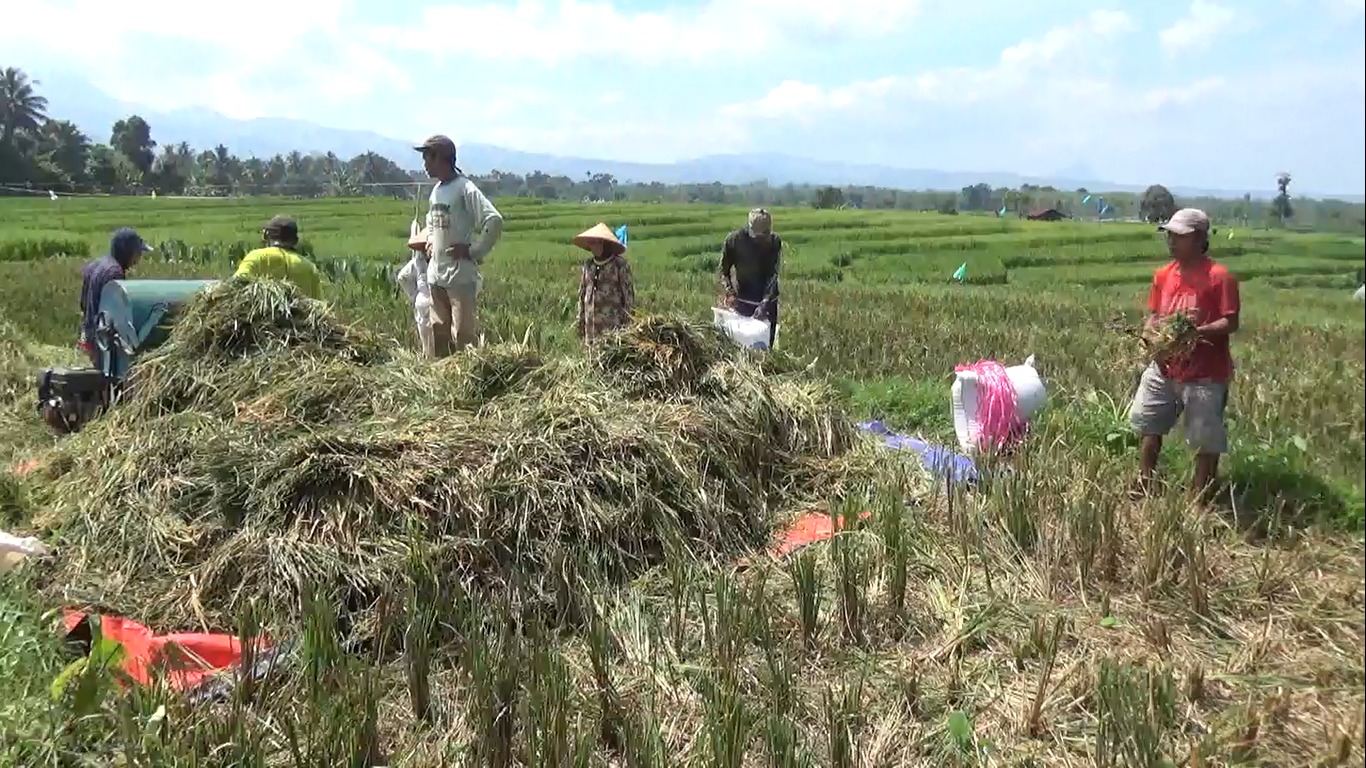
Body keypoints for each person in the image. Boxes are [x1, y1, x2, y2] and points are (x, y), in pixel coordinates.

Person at [1127, 208, 1240, 501]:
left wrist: (1195, 333)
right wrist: (1150, 336)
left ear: (1199, 238)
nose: (1171, 241)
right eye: (1170, 235)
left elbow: (1231, 321)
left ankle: (1200, 495)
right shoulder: (1163, 275)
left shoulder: (1219, 277)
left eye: (1179, 236)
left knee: (1204, 437)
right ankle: (1145, 480)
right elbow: (1154, 314)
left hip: (1204, 374)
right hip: (1164, 366)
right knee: (1148, 424)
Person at [413, 134, 504, 357]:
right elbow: (431, 222)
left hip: (460, 275)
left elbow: (494, 220)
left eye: (427, 157)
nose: (424, 164)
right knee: (438, 332)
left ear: (441, 158)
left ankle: (466, 381)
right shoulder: (436, 192)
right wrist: (431, 242)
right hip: (437, 274)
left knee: (463, 335)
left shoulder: (465, 188)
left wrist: (473, 251)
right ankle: (441, 380)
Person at [78, 227, 152, 367]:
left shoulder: (95, 265)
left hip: (88, 333)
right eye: (137, 253)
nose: (139, 258)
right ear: (127, 251)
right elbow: (116, 315)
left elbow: (83, 304)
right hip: (100, 340)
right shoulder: (115, 272)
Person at [719, 208, 783, 348]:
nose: (761, 241)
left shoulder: (774, 242)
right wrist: (729, 291)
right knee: (742, 342)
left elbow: (773, 275)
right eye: (758, 237)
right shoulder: (734, 241)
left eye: (764, 237)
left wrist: (765, 302)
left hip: (767, 298)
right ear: (749, 229)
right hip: (743, 296)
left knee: (765, 342)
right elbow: (723, 271)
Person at [573, 222, 635, 344]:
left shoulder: (619, 265)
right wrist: (580, 320)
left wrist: (630, 324)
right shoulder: (588, 265)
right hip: (591, 325)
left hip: (613, 326)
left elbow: (628, 296)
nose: (595, 246)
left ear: (606, 244)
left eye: (599, 242)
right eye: (592, 242)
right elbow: (583, 293)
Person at [233, 215, 323, 298]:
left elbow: (236, 283)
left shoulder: (256, 257)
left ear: (266, 235)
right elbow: (319, 304)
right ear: (295, 240)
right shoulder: (309, 267)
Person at [396, 222, 435, 358]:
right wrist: (414, 295)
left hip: (430, 306)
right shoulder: (419, 262)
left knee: (431, 344)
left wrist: (415, 295)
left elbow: (403, 277)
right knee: (430, 343)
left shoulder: (422, 262)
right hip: (428, 307)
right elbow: (402, 277)